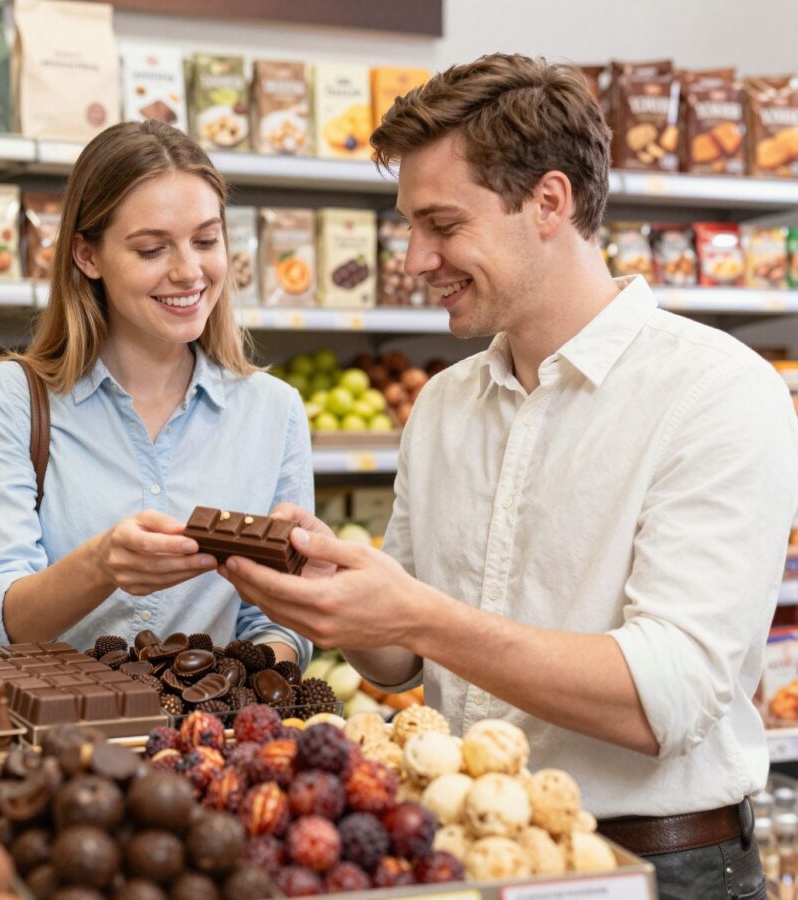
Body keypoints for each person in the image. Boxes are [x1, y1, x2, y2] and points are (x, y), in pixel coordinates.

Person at [221, 53, 798, 899]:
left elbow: (663, 700)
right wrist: (327, 595)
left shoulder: (717, 391)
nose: (416, 260)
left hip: (666, 870)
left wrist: (423, 614)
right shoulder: (448, 403)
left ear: (549, 203)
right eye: (409, 227)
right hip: (470, 853)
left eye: (443, 225)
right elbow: (400, 661)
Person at [0, 119, 312, 669]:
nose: (189, 272)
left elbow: (277, 621)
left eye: (206, 240)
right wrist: (100, 565)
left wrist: (240, 683)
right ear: (87, 256)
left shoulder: (275, 410)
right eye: (151, 250)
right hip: (58, 745)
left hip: (207, 745)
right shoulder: (12, 399)